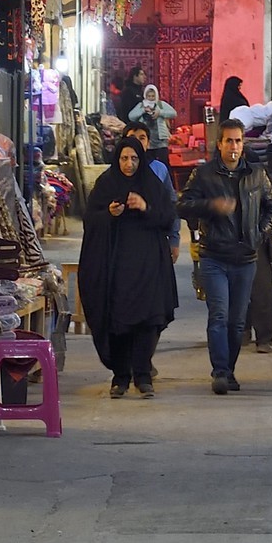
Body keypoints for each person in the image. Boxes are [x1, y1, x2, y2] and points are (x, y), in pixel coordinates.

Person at [180, 119, 272, 394]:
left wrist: (259, 234)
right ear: (219, 144)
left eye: (238, 141)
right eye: (229, 141)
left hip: (246, 258)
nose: (234, 147)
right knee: (219, 315)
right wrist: (211, 206)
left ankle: (230, 369)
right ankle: (220, 372)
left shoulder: (257, 175)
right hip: (214, 256)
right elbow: (182, 205)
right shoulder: (204, 175)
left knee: (237, 321)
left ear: (242, 144)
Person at [78, 132, 178, 398]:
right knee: (118, 321)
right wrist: (109, 214)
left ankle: (143, 375)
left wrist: (145, 206)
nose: (129, 164)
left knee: (147, 320)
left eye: (134, 158)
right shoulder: (107, 183)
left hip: (148, 267)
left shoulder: (151, 184)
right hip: (116, 266)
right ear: (117, 158)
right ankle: (120, 376)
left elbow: (168, 217)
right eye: (124, 158)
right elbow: (90, 218)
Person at [129, 82, 175, 160]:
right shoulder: (141, 105)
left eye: (153, 96)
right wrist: (143, 111)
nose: (151, 98)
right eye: (149, 96)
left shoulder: (161, 104)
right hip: (146, 140)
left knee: (163, 162)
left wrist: (160, 113)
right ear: (145, 96)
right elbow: (131, 116)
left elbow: (174, 113)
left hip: (161, 140)